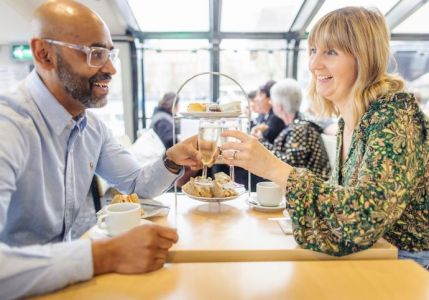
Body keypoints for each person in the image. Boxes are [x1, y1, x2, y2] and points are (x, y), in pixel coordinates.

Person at [0, 1, 200, 298]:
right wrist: (103, 255)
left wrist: (171, 159)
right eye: (95, 54)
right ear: (44, 54)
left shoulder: (90, 127)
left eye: (109, 53)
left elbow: (136, 184)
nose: (110, 69)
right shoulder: (9, 126)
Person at [221, 7, 428, 269]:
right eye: (313, 50)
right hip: (369, 257)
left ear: (365, 58)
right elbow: (340, 214)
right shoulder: (349, 120)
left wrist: (274, 168)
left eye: (330, 52)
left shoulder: (396, 116)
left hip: (406, 267)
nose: (314, 64)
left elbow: (364, 219)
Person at [263, 78, 331, 179]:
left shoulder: (300, 128)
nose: (270, 103)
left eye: (271, 100)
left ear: (279, 106)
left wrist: (261, 143)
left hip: (311, 189)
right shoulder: (298, 124)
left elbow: (289, 165)